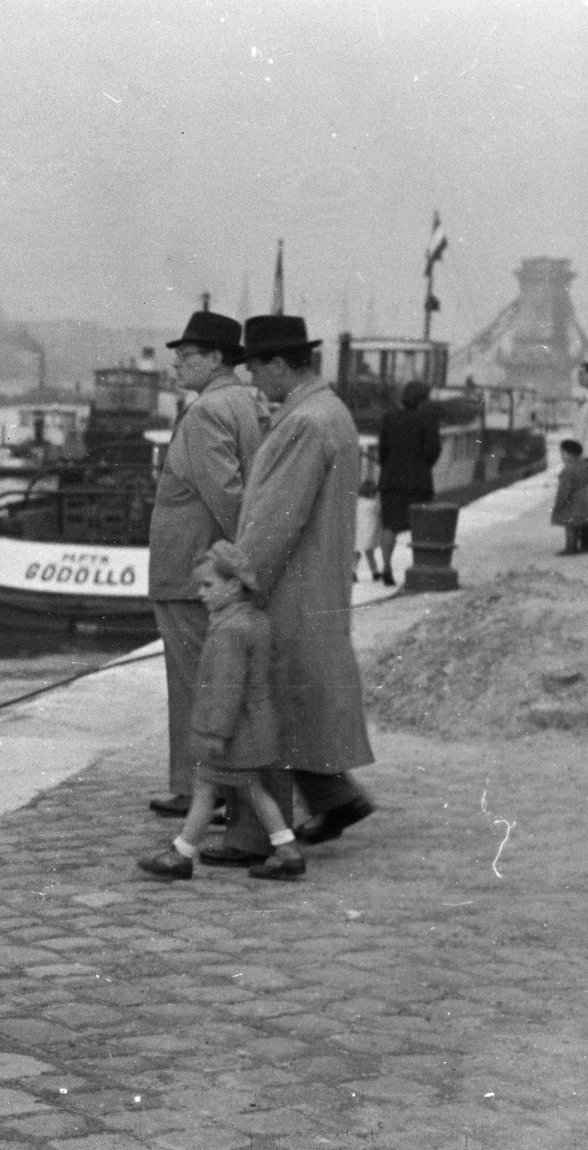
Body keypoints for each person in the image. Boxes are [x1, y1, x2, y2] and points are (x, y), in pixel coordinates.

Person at [145, 310, 281, 864]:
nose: (178, 363)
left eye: (190, 355)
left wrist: (238, 564)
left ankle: (196, 789)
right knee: (215, 679)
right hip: (208, 567)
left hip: (190, 571)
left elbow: (226, 495)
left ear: (218, 358)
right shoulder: (249, 402)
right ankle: (203, 785)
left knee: (194, 682)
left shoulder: (204, 412)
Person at [235, 315, 376, 847]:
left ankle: (301, 810)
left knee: (282, 691)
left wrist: (241, 580)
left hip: (293, 581)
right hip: (320, 574)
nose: (252, 379)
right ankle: (332, 795)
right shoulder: (329, 412)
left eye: (255, 367)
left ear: (279, 364)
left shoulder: (304, 423)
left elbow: (277, 517)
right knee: (303, 691)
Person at [138, 541, 304, 881]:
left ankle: (182, 853)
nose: (200, 593)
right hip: (252, 725)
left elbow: (224, 691)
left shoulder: (229, 631)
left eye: (208, 585)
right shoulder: (253, 621)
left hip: (236, 729)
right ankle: (284, 849)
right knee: (240, 789)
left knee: (217, 787)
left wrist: (215, 733)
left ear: (234, 585)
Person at [376, 379, 441, 586]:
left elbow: (382, 450)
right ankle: (419, 568)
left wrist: (390, 467)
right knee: (421, 526)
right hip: (418, 480)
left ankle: (386, 567)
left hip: (392, 479)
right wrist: (424, 465)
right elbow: (432, 450)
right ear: (423, 399)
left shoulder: (389, 417)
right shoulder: (428, 419)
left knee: (389, 525)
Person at [550, 439, 588, 554]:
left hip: (574, 502)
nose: (561, 456)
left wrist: (558, 505)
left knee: (570, 525)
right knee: (584, 523)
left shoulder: (568, 470)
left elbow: (564, 491)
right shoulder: (585, 464)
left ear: (567, 454)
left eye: (562, 453)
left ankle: (570, 548)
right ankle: (585, 545)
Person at [355, 476, 382, 582]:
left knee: (356, 554)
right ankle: (375, 572)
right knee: (370, 554)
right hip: (369, 533)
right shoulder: (375, 504)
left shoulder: (356, 503)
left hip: (357, 532)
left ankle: (353, 572)